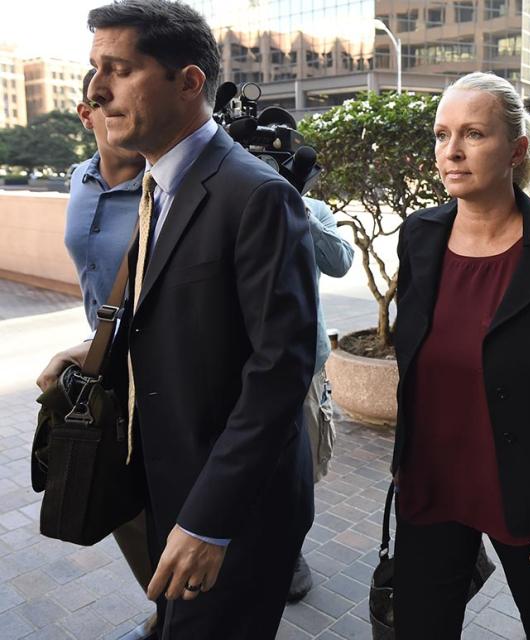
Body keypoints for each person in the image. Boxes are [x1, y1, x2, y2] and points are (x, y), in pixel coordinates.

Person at [37, 2, 318, 637]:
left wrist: (207, 521)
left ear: (190, 83)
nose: (97, 89)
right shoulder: (156, 181)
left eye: (120, 69)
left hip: (233, 505)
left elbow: (279, 373)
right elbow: (174, 313)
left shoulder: (258, 195)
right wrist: (93, 349)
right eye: (93, 70)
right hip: (163, 477)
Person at [391, 71, 530, 639]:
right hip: (432, 480)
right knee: (422, 625)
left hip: (525, 490)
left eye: (473, 134)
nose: (452, 151)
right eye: (442, 135)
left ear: (516, 150)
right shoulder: (419, 236)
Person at [54, 68, 158, 640]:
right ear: (85, 114)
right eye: (100, 102)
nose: (112, 109)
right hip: (102, 364)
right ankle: (169, 603)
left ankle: (186, 607)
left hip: (152, 366)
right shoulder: (78, 178)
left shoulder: (161, 188)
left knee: (158, 497)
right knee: (113, 496)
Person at [288, 196, 354, 600]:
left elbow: (339, 261)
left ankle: (291, 548)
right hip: (239, 361)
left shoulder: (312, 206)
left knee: (303, 464)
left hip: (302, 363)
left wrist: (297, 207)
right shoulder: (230, 194)